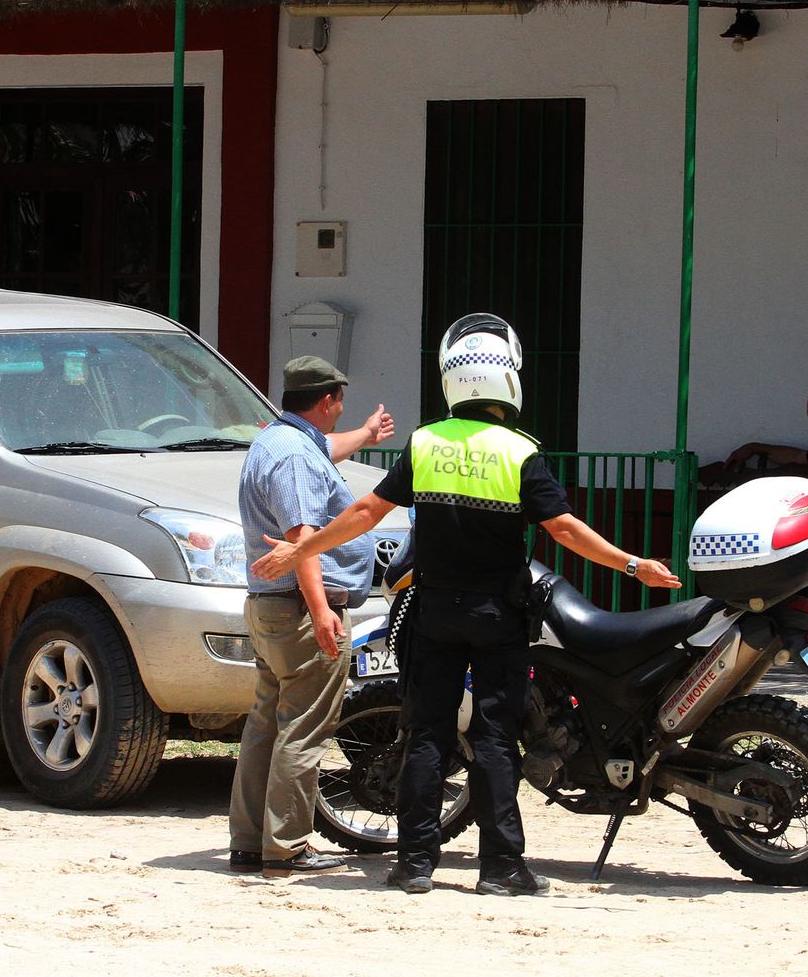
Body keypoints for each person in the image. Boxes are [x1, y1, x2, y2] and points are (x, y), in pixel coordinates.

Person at [252, 314, 678, 897]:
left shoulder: (425, 443)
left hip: (432, 614)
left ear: (452, 381)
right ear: (508, 382)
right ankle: (501, 869)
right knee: (496, 738)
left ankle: (413, 864)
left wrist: (302, 547)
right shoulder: (520, 452)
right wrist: (633, 564)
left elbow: (363, 513)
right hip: (498, 618)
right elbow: (565, 531)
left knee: (428, 734)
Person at [228, 355, 396, 878]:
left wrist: (366, 434)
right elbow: (301, 540)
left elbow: (330, 447)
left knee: (265, 726)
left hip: (270, 608)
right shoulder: (295, 457)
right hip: (300, 610)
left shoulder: (281, 440)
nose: (341, 410)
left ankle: (250, 842)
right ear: (326, 400)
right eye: (340, 402)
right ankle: (288, 848)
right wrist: (323, 612)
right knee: (303, 729)